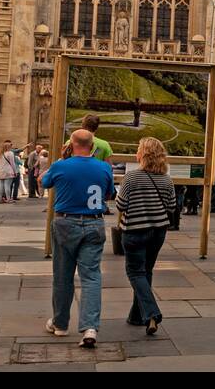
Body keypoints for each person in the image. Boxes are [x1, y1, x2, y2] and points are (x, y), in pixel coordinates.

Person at [41, 129, 115, 348]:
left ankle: (60, 324)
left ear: (71, 144)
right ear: (92, 146)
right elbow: (109, 193)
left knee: (63, 275)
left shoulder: (61, 165)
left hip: (65, 222)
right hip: (94, 222)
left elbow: (44, 182)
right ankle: (90, 327)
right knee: (91, 276)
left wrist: (63, 159)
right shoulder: (104, 167)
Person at [114, 136, 176, 335]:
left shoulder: (131, 177)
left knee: (135, 272)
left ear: (143, 154)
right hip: (158, 231)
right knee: (146, 271)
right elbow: (171, 206)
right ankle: (137, 316)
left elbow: (121, 205)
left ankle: (151, 313)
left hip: (134, 231)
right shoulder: (166, 179)